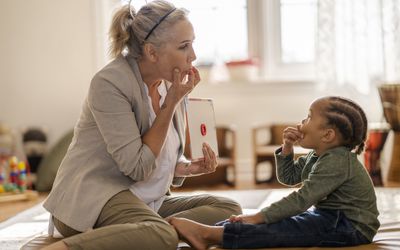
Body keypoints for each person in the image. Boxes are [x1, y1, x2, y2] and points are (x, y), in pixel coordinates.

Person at [42, 1, 241, 249]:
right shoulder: (109, 83)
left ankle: (146, 231)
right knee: (163, 236)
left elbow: (159, 153)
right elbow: (137, 168)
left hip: (146, 201)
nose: (194, 55)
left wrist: (186, 168)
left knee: (229, 209)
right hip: (95, 198)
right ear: (152, 52)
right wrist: (171, 103)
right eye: (184, 46)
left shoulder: (170, 82)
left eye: (192, 43)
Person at [170, 96, 380, 250]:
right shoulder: (319, 155)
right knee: (282, 219)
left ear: (327, 135)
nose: (301, 123)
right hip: (330, 216)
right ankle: (215, 230)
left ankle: (211, 234)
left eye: (308, 118)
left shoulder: (337, 161)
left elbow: (301, 199)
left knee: (286, 228)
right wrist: (287, 148)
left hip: (351, 226)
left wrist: (258, 217)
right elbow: (289, 178)